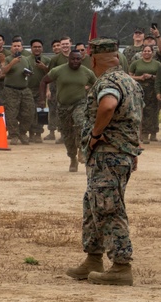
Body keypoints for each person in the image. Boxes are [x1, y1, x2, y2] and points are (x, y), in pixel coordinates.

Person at [66, 39, 143, 286]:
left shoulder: (109, 82)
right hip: (118, 153)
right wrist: (133, 147)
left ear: (95, 60)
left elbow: (108, 106)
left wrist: (96, 135)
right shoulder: (130, 81)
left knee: (108, 206)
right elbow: (135, 118)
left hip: (108, 153)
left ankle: (121, 265)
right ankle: (93, 258)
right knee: (93, 204)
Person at [41, 51, 98, 172]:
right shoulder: (58, 70)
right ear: (69, 59)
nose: (75, 61)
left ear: (81, 60)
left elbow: (98, 85)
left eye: (78, 59)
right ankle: (73, 158)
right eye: (73, 59)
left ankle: (82, 149)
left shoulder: (87, 72)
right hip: (63, 106)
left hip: (80, 103)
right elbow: (44, 81)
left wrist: (94, 97)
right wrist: (42, 99)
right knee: (67, 135)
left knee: (81, 123)